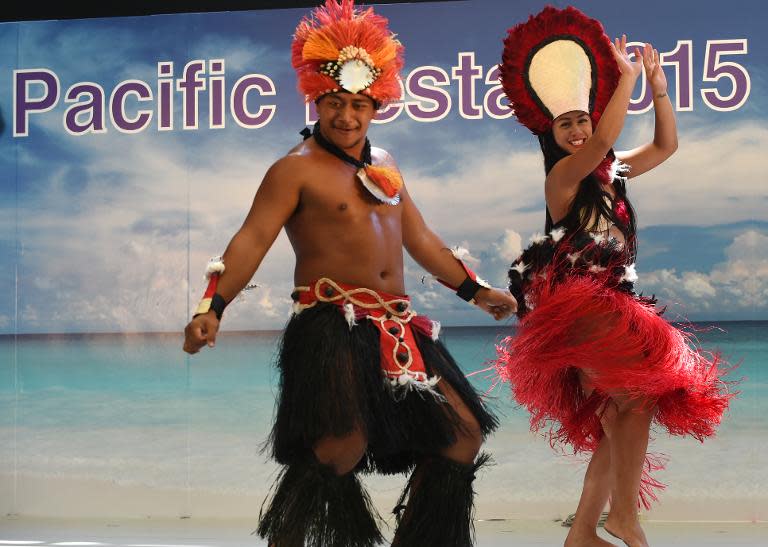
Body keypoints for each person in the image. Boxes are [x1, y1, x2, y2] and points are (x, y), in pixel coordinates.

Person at [183, 1, 517, 545]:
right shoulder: (294, 169)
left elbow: (421, 239)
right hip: (331, 326)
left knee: (462, 436)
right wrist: (211, 307)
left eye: (359, 105)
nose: (346, 117)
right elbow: (250, 240)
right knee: (339, 447)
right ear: (316, 100)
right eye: (335, 103)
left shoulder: (385, 164)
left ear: (376, 105)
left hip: (399, 327)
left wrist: (476, 292)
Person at [495, 7, 733, 547]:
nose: (578, 130)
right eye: (566, 124)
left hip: (611, 302)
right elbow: (603, 145)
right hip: (582, 308)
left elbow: (665, 147)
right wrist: (624, 79)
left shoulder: (612, 174)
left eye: (582, 119)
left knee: (622, 410)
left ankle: (584, 532)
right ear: (551, 136)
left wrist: (659, 89)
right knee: (633, 399)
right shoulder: (562, 177)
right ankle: (622, 518)